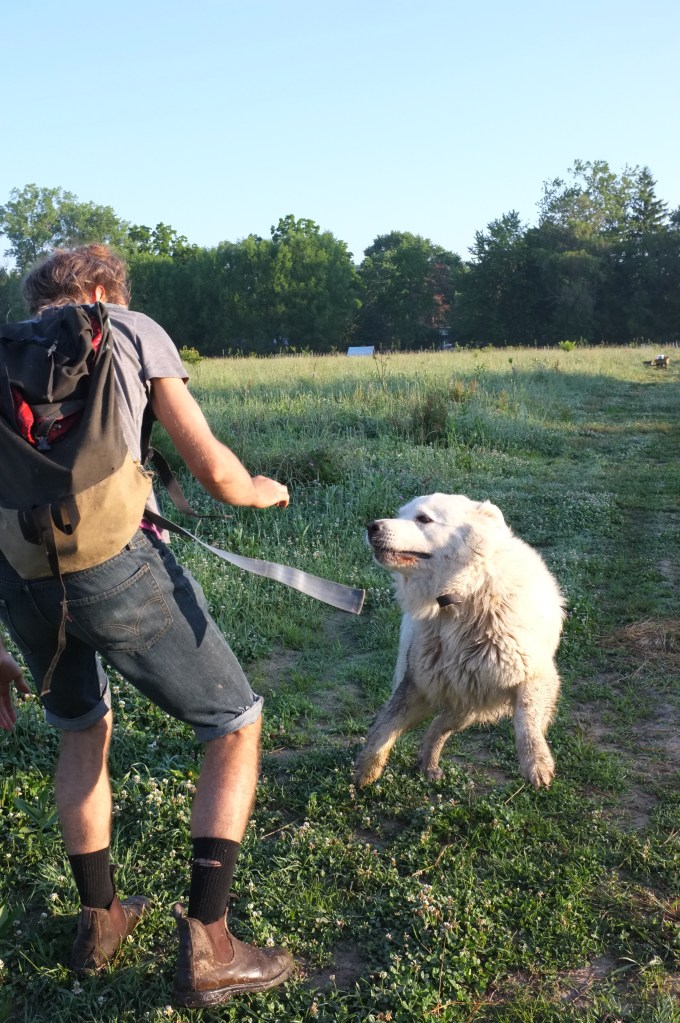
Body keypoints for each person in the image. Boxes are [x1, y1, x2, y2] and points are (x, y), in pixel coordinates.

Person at [0, 244, 294, 1008]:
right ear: (104, 289)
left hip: (23, 580)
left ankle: (99, 922)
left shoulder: (5, 353)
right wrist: (260, 489)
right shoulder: (129, 328)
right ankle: (211, 945)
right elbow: (213, 470)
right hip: (115, 564)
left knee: (80, 731)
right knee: (234, 724)